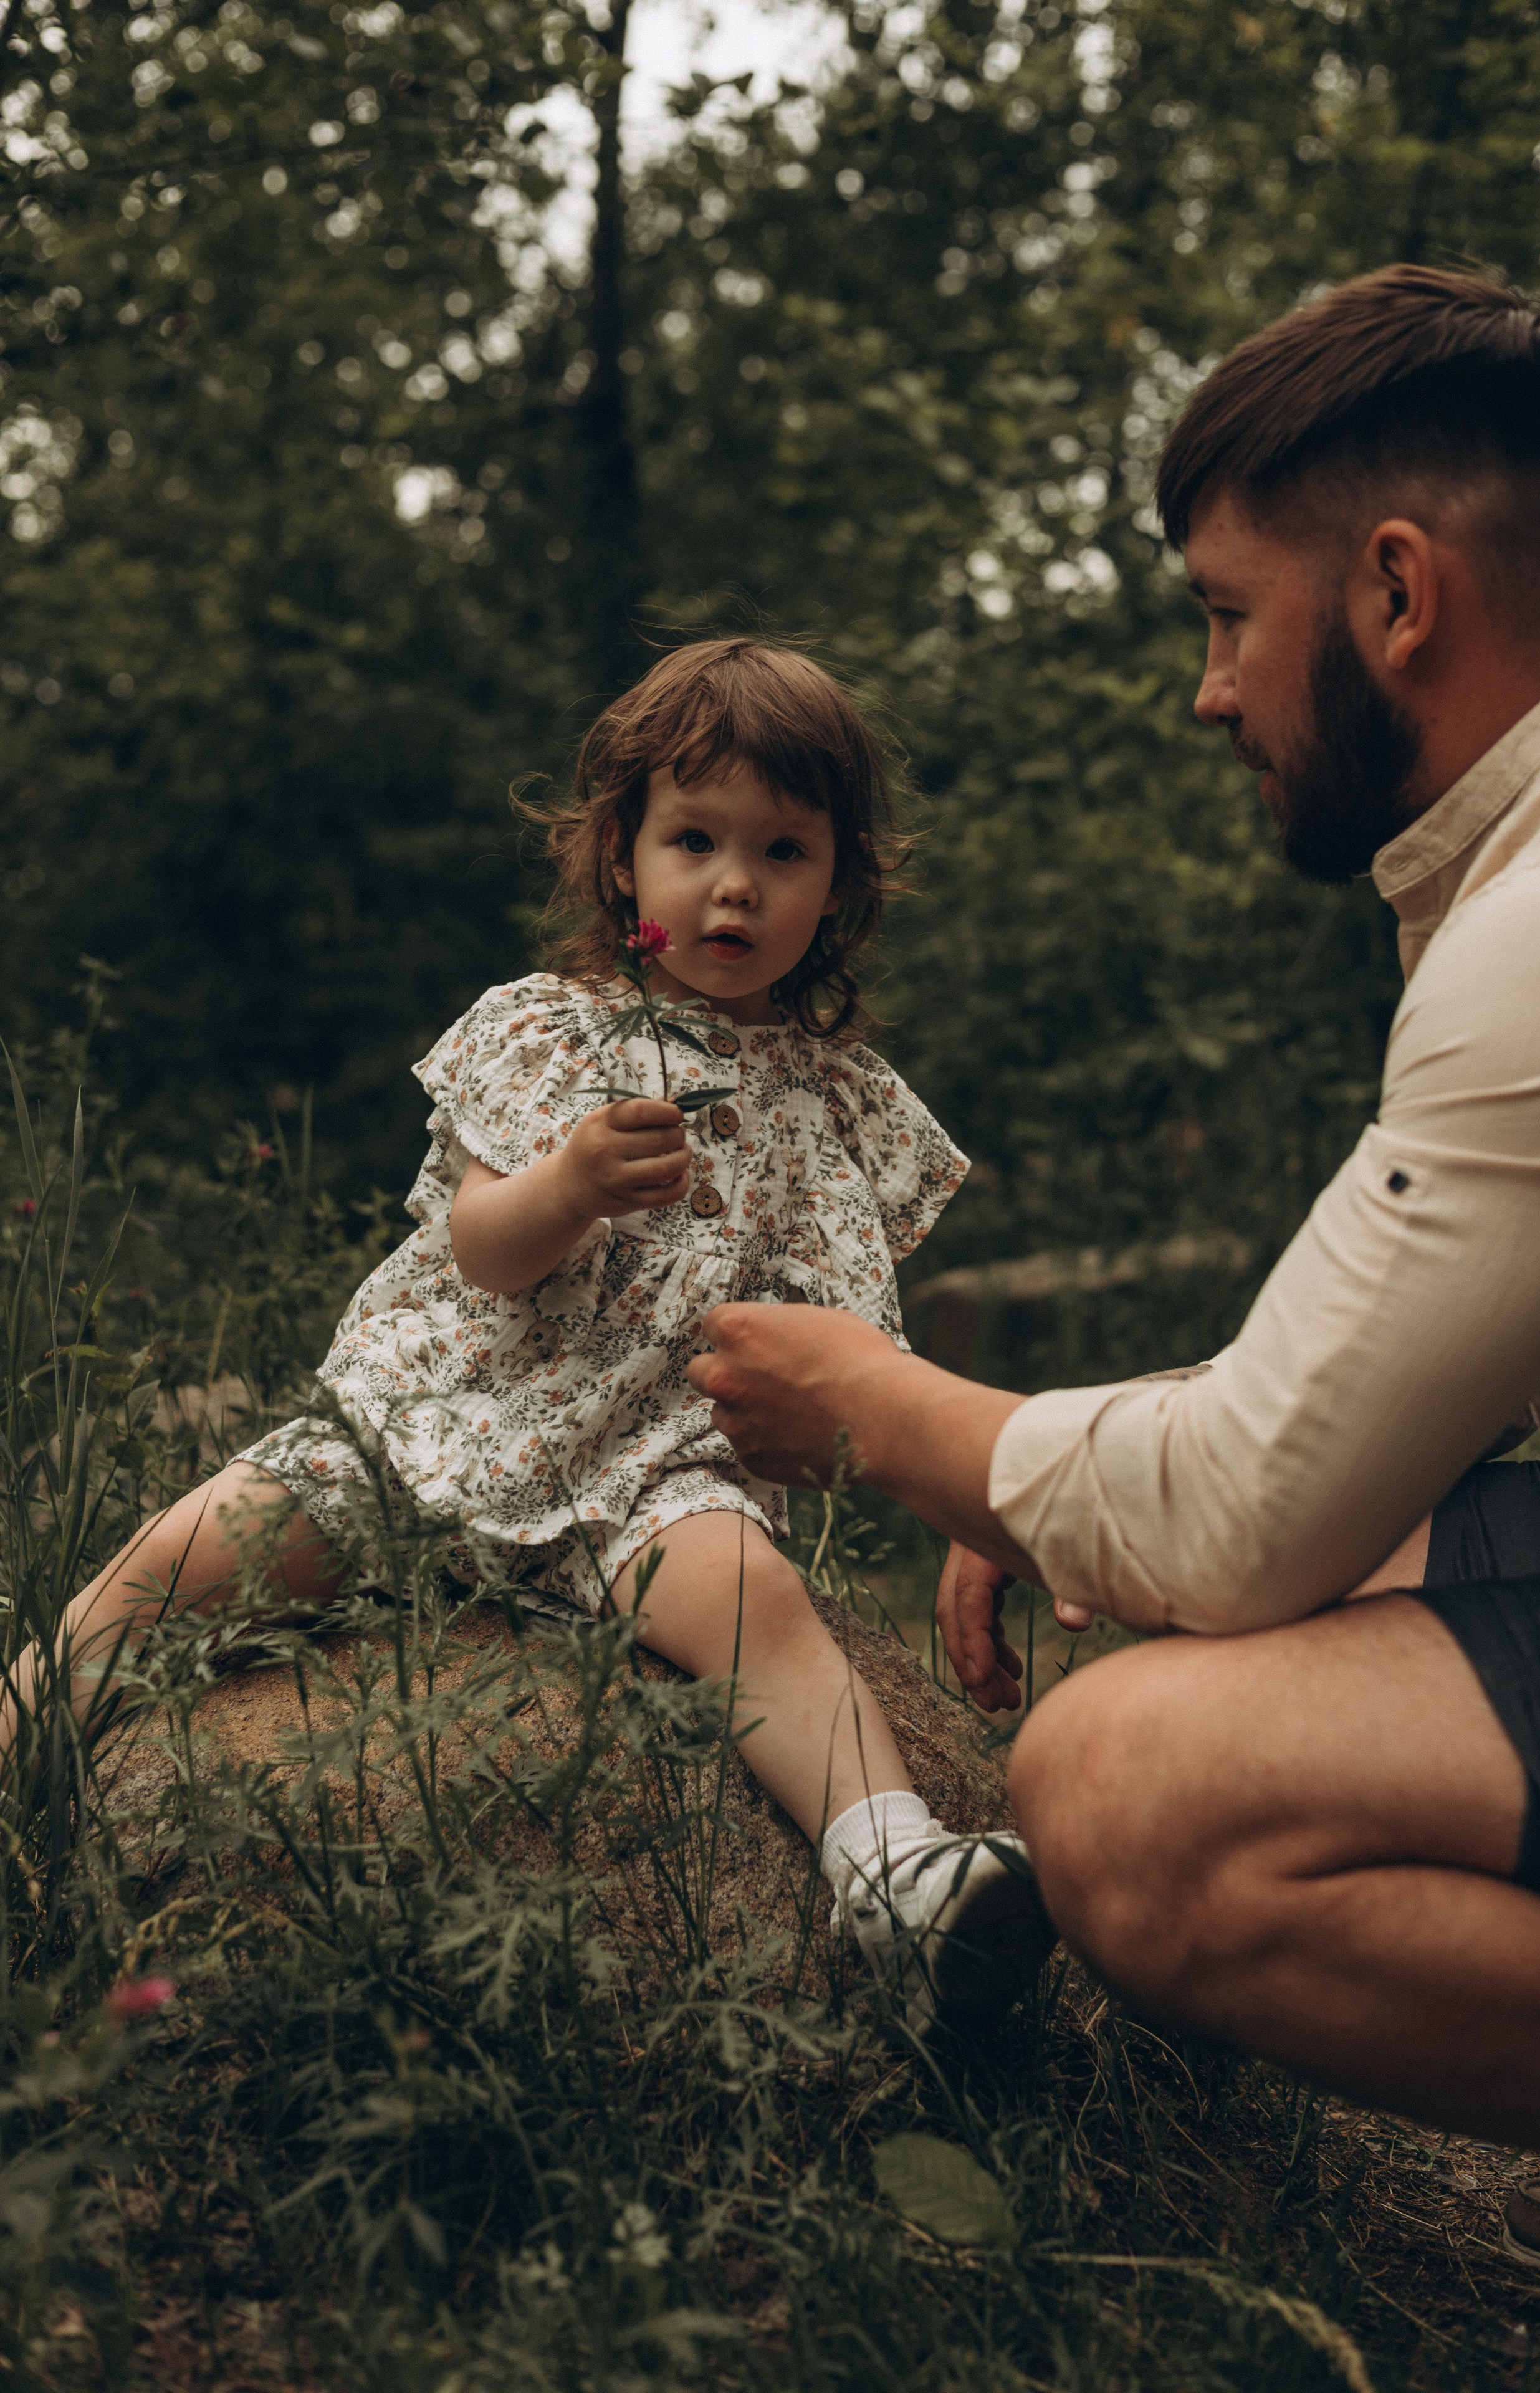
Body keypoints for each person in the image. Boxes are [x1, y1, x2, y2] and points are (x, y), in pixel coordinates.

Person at [686, 269, 1540, 2255]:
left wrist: (887, 1412)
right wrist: (1057, 1463)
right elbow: (1342, 1411)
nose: (1208, 690)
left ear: (1396, 593)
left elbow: (1251, 1513)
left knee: (1120, 1784)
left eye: (1222, 615)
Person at [18, 639, 1054, 2036]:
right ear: (622, 861)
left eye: (784, 850)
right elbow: (477, 1246)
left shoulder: (833, 1103)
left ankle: (892, 1869)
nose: (735, 883)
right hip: (447, 1418)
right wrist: (565, 1183)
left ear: (841, 885)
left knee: (761, 1615)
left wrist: (962, 1502)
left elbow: (856, 1355)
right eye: (694, 839)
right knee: (189, 1551)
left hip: (655, 1472)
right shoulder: (548, 1031)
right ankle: (24, 1730)